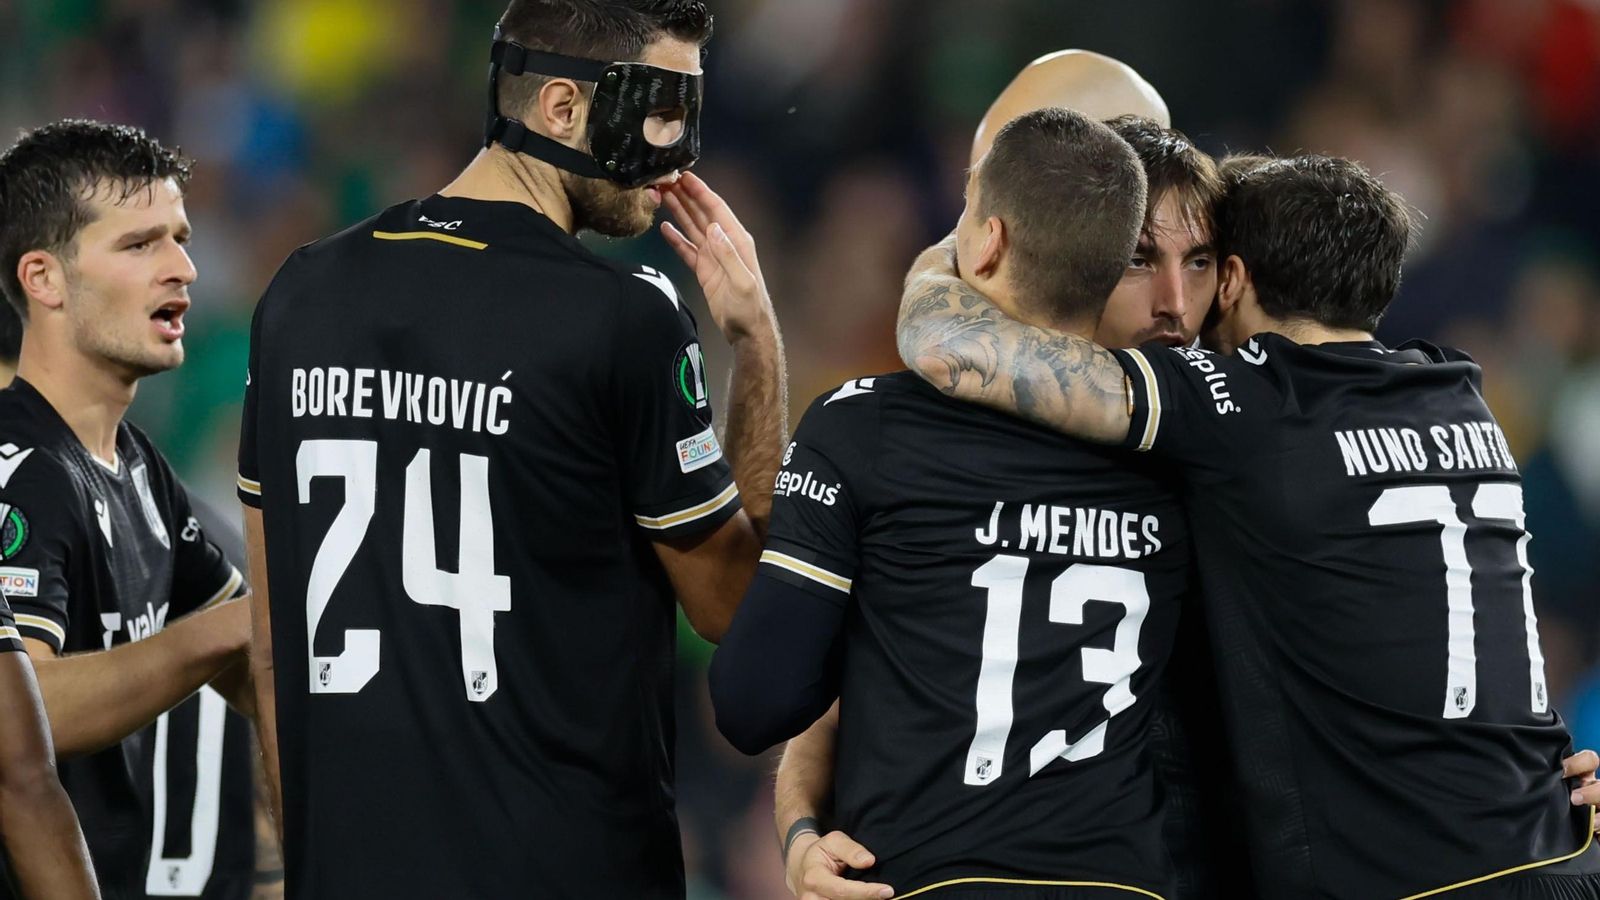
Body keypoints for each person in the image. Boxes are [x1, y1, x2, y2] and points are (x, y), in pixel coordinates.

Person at [896, 152, 1600, 898]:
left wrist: (959, 249)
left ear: (1231, 280)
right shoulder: (1456, 391)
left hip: (1413, 880)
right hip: (1559, 847)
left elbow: (950, 349)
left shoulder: (1249, 405)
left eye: (1201, 264)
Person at [236, 1, 786, 897]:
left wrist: (302, 861)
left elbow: (272, 640)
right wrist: (759, 350)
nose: (679, 153)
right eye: (659, 110)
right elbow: (737, 609)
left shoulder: (301, 293)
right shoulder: (624, 318)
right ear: (561, 109)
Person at [771, 50, 1241, 900]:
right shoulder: (916, 428)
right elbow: (833, 684)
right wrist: (803, 825)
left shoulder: (1227, 404)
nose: (1173, 292)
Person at [0, 118, 255, 900]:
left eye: (180, 238)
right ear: (43, 279)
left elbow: (258, 656)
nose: (184, 267)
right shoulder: (20, 473)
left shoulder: (138, 465)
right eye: (140, 245)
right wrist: (214, 635)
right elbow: (24, 722)